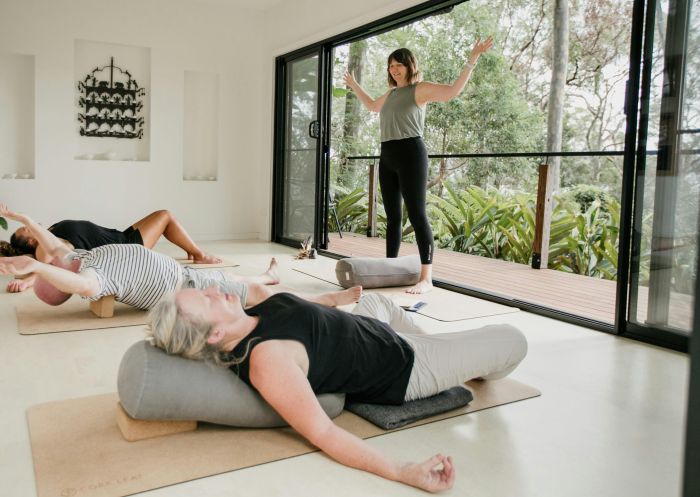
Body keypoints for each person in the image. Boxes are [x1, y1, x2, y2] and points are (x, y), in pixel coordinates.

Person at [148, 287, 527, 492]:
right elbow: (324, 433)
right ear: (215, 334)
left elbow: (305, 311)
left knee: (378, 299)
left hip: (375, 327)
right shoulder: (267, 360)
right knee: (512, 339)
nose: (214, 289)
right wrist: (402, 471)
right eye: (207, 300)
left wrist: (337, 299)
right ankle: (460, 360)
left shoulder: (254, 314)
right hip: (405, 365)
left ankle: (455, 351)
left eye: (203, 289)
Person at [344, 37, 494, 294]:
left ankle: (427, 277)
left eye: (398, 64)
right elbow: (370, 106)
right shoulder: (391, 93)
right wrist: (355, 84)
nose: (394, 69)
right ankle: (390, 268)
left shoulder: (419, 89)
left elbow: (452, 92)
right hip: (387, 154)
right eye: (390, 66)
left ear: (409, 65)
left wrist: (473, 58)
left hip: (411, 153)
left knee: (417, 214)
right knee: (392, 217)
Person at [0, 205, 362, 311]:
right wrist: (33, 267)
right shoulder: (92, 279)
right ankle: (327, 300)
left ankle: (267, 277)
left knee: (246, 286)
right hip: (186, 287)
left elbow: (52, 246)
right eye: (53, 265)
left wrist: (23, 220)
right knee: (259, 298)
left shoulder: (80, 255)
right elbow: (65, 274)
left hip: (183, 276)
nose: (56, 255)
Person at [2, 207, 222, 293]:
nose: (32, 226)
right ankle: (199, 254)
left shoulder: (50, 232)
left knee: (163, 215)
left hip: (122, 235)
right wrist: (27, 281)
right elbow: (53, 263)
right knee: (165, 216)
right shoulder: (45, 247)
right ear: (31, 241)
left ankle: (193, 251)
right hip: (127, 249)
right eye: (27, 229)